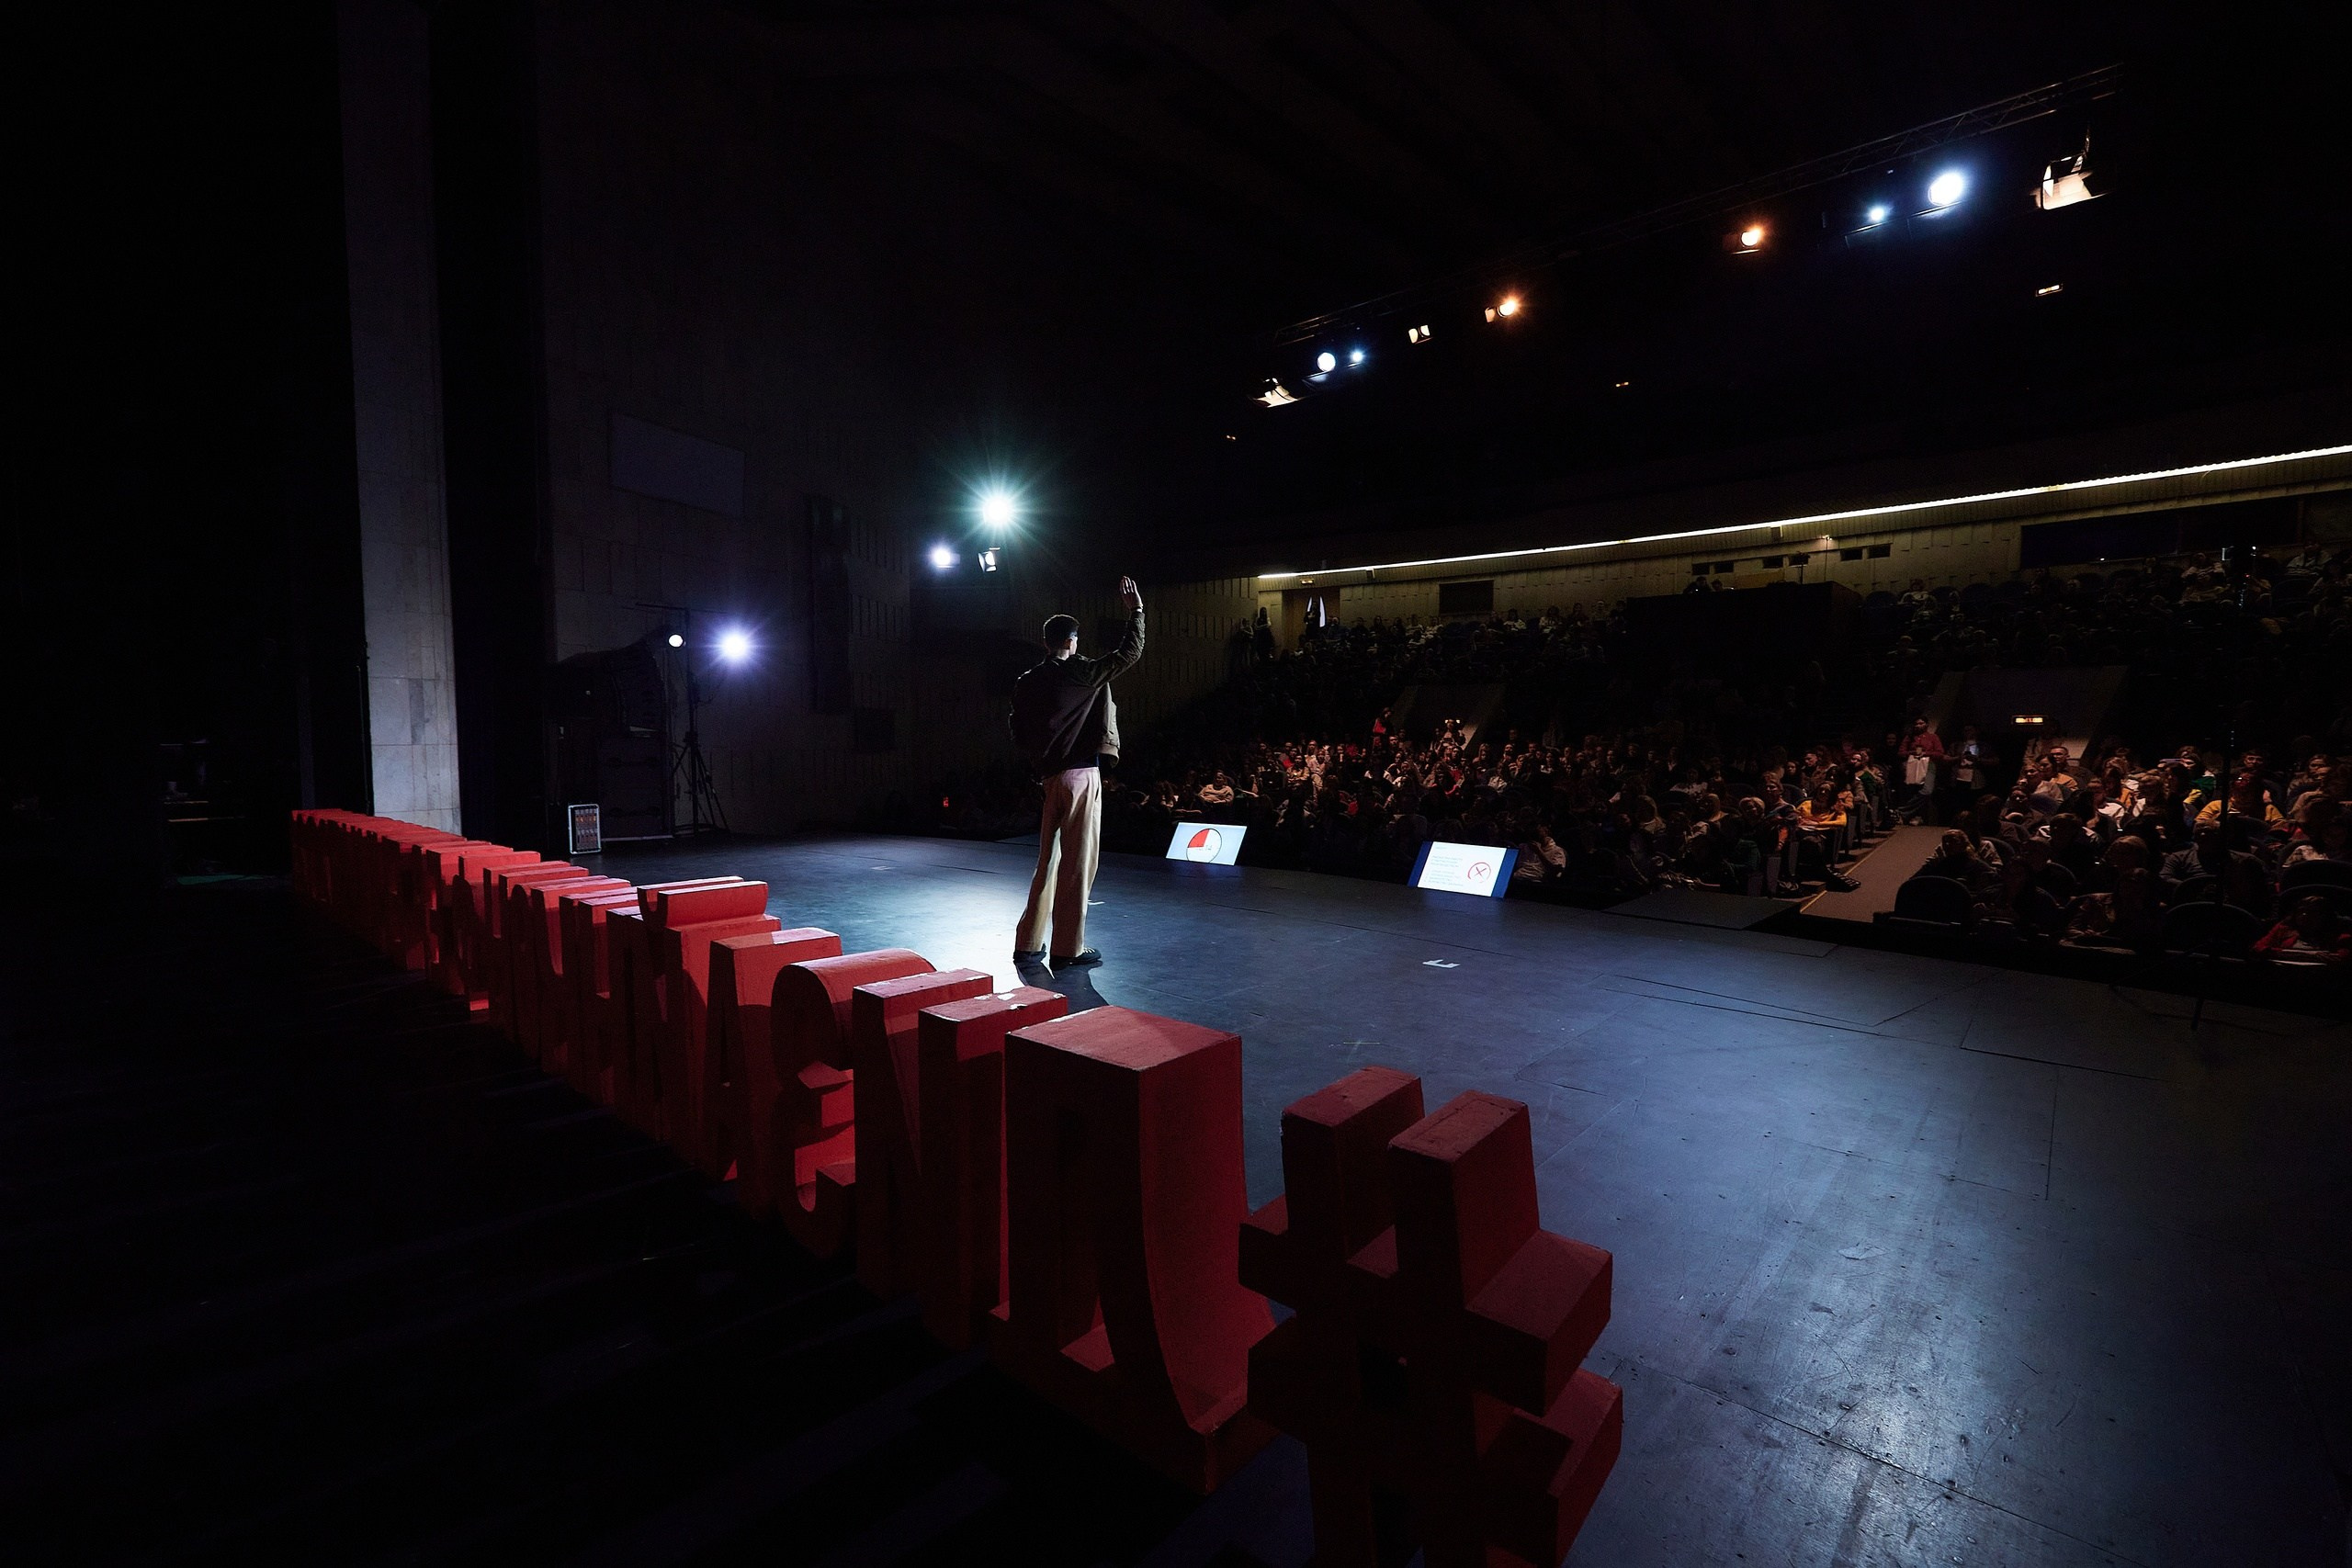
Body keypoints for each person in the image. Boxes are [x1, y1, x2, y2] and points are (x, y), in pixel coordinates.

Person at [1009, 577, 1146, 968]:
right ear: (1071, 641)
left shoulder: (1028, 681)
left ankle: (1029, 942)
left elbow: (1016, 728)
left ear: (1046, 641)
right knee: (1078, 862)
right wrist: (1135, 612)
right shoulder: (1080, 674)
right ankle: (1069, 948)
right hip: (1081, 775)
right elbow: (1128, 653)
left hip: (1049, 776)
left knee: (1048, 861)